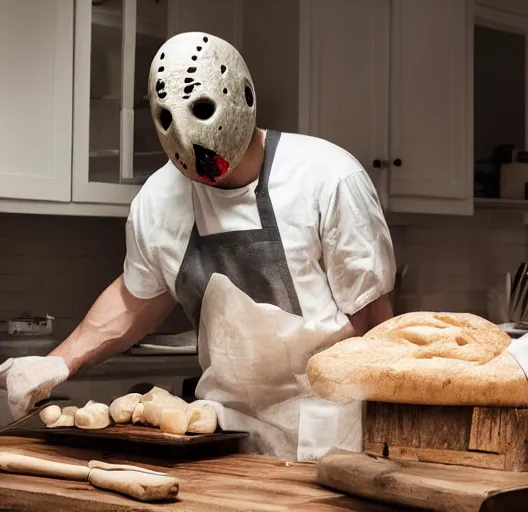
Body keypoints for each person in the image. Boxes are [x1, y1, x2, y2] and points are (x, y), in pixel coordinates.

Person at [0, 33, 395, 460]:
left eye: (203, 110)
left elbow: (374, 323)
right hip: (222, 436)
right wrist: (56, 364)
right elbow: (136, 300)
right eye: (169, 120)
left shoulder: (328, 178)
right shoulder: (157, 201)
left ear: (243, 95)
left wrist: (389, 448)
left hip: (327, 436)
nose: (190, 143)